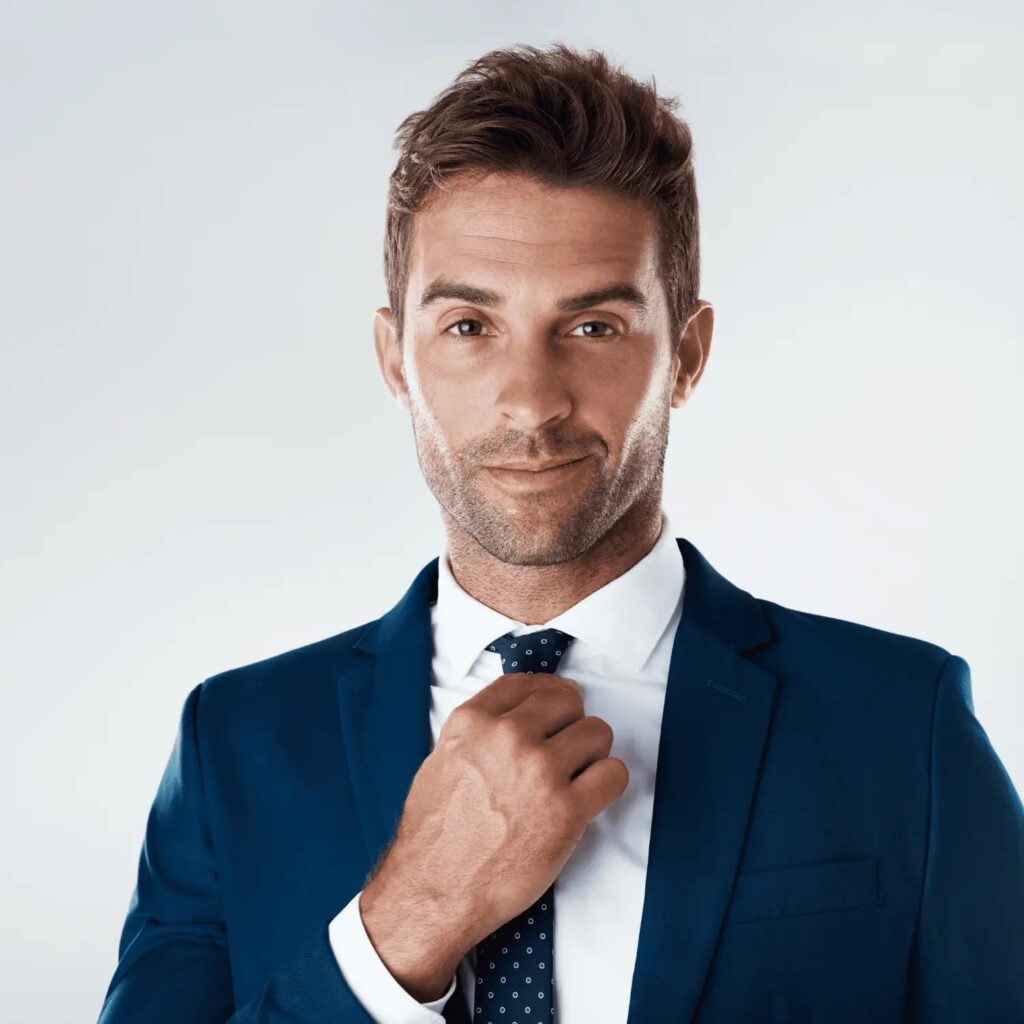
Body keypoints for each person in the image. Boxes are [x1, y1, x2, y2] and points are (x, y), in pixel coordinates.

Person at [97, 43, 1024, 1024]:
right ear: (394, 358)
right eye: (468, 326)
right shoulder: (237, 744)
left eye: (592, 328)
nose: (531, 403)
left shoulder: (897, 725)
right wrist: (399, 930)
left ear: (687, 355)